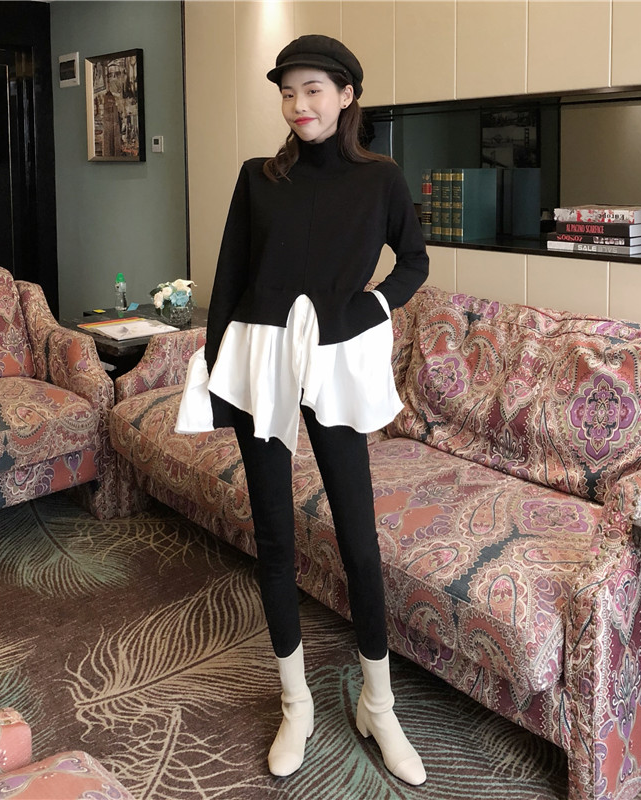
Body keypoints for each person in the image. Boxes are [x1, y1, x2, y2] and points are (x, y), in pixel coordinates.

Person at [176, 34, 429, 785]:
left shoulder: (380, 179)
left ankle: (378, 707)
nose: (298, 105)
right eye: (288, 92)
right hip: (259, 362)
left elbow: (414, 261)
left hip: (335, 364)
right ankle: (297, 703)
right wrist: (216, 370)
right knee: (276, 539)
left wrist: (371, 306)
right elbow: (229, 275)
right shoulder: (260, 177)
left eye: (313, 89)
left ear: (347, 95)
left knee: (358, 540)